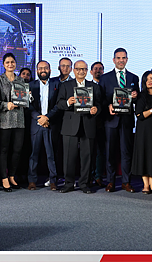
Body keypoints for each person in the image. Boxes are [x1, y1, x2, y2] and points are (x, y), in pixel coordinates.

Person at [55, 60, 102, 193]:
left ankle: (84, 183)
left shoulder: (94, 86)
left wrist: (96, 110)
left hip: (88, 124)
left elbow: (99, 104)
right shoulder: (65, 86)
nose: (81, 71)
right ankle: (68, 183)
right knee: (69, 157)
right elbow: (59, 104)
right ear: (74, 70)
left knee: (87, 156)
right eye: (79, 69)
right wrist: (68, 102)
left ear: (88, 71)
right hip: (70, 125)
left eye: (84, 69)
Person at [99, 48, 140, 193]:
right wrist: (108, 105)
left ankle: (126, 182)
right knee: (110, 152)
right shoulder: (105, 78)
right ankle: (110, 181)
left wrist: (135, 96)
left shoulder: (134, 78)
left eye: (123, 58)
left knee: (126, 152)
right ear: (113, 60)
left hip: (127, 120)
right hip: (111, 120)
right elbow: (100, 99)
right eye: (118, 58)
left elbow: (138, 98)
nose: (121, 60)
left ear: (127, 60)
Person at [0, 53, 27, 192]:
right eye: (7, 62)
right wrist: (5, 105)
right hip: (4, 120)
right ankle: (4, 178)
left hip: (19, 120)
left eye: (12, 62)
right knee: (3, 150)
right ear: (3, 64)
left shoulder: (21, 80)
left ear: (15, 64)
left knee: (17, 150)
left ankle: (12, 175)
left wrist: (28, 98)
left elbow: (25, 101)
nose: (10, 64)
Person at [27, 60, 60, 191]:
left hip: (50, 123)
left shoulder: (57, 84)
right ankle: (32, 180)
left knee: (51, 154)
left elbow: (58, 104)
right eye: (40, 68)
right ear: (37, 71)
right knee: (34, 154)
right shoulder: (30, 85)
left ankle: (53, 180)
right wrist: (39, 118)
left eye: (46, 68)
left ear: (50, 70)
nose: (43, 70)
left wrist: (47, 118)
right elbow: (27, 105)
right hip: (36, 124)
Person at [89, 62, 106, 187]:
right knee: (89, 150)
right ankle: (88, 176)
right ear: (91, 72)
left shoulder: (106, 85)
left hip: (104, 122)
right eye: (95, 69)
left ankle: (98, 176)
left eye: (100, 69)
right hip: (89, 122)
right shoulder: (86, 86)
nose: (98, 71)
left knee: (101, 151)